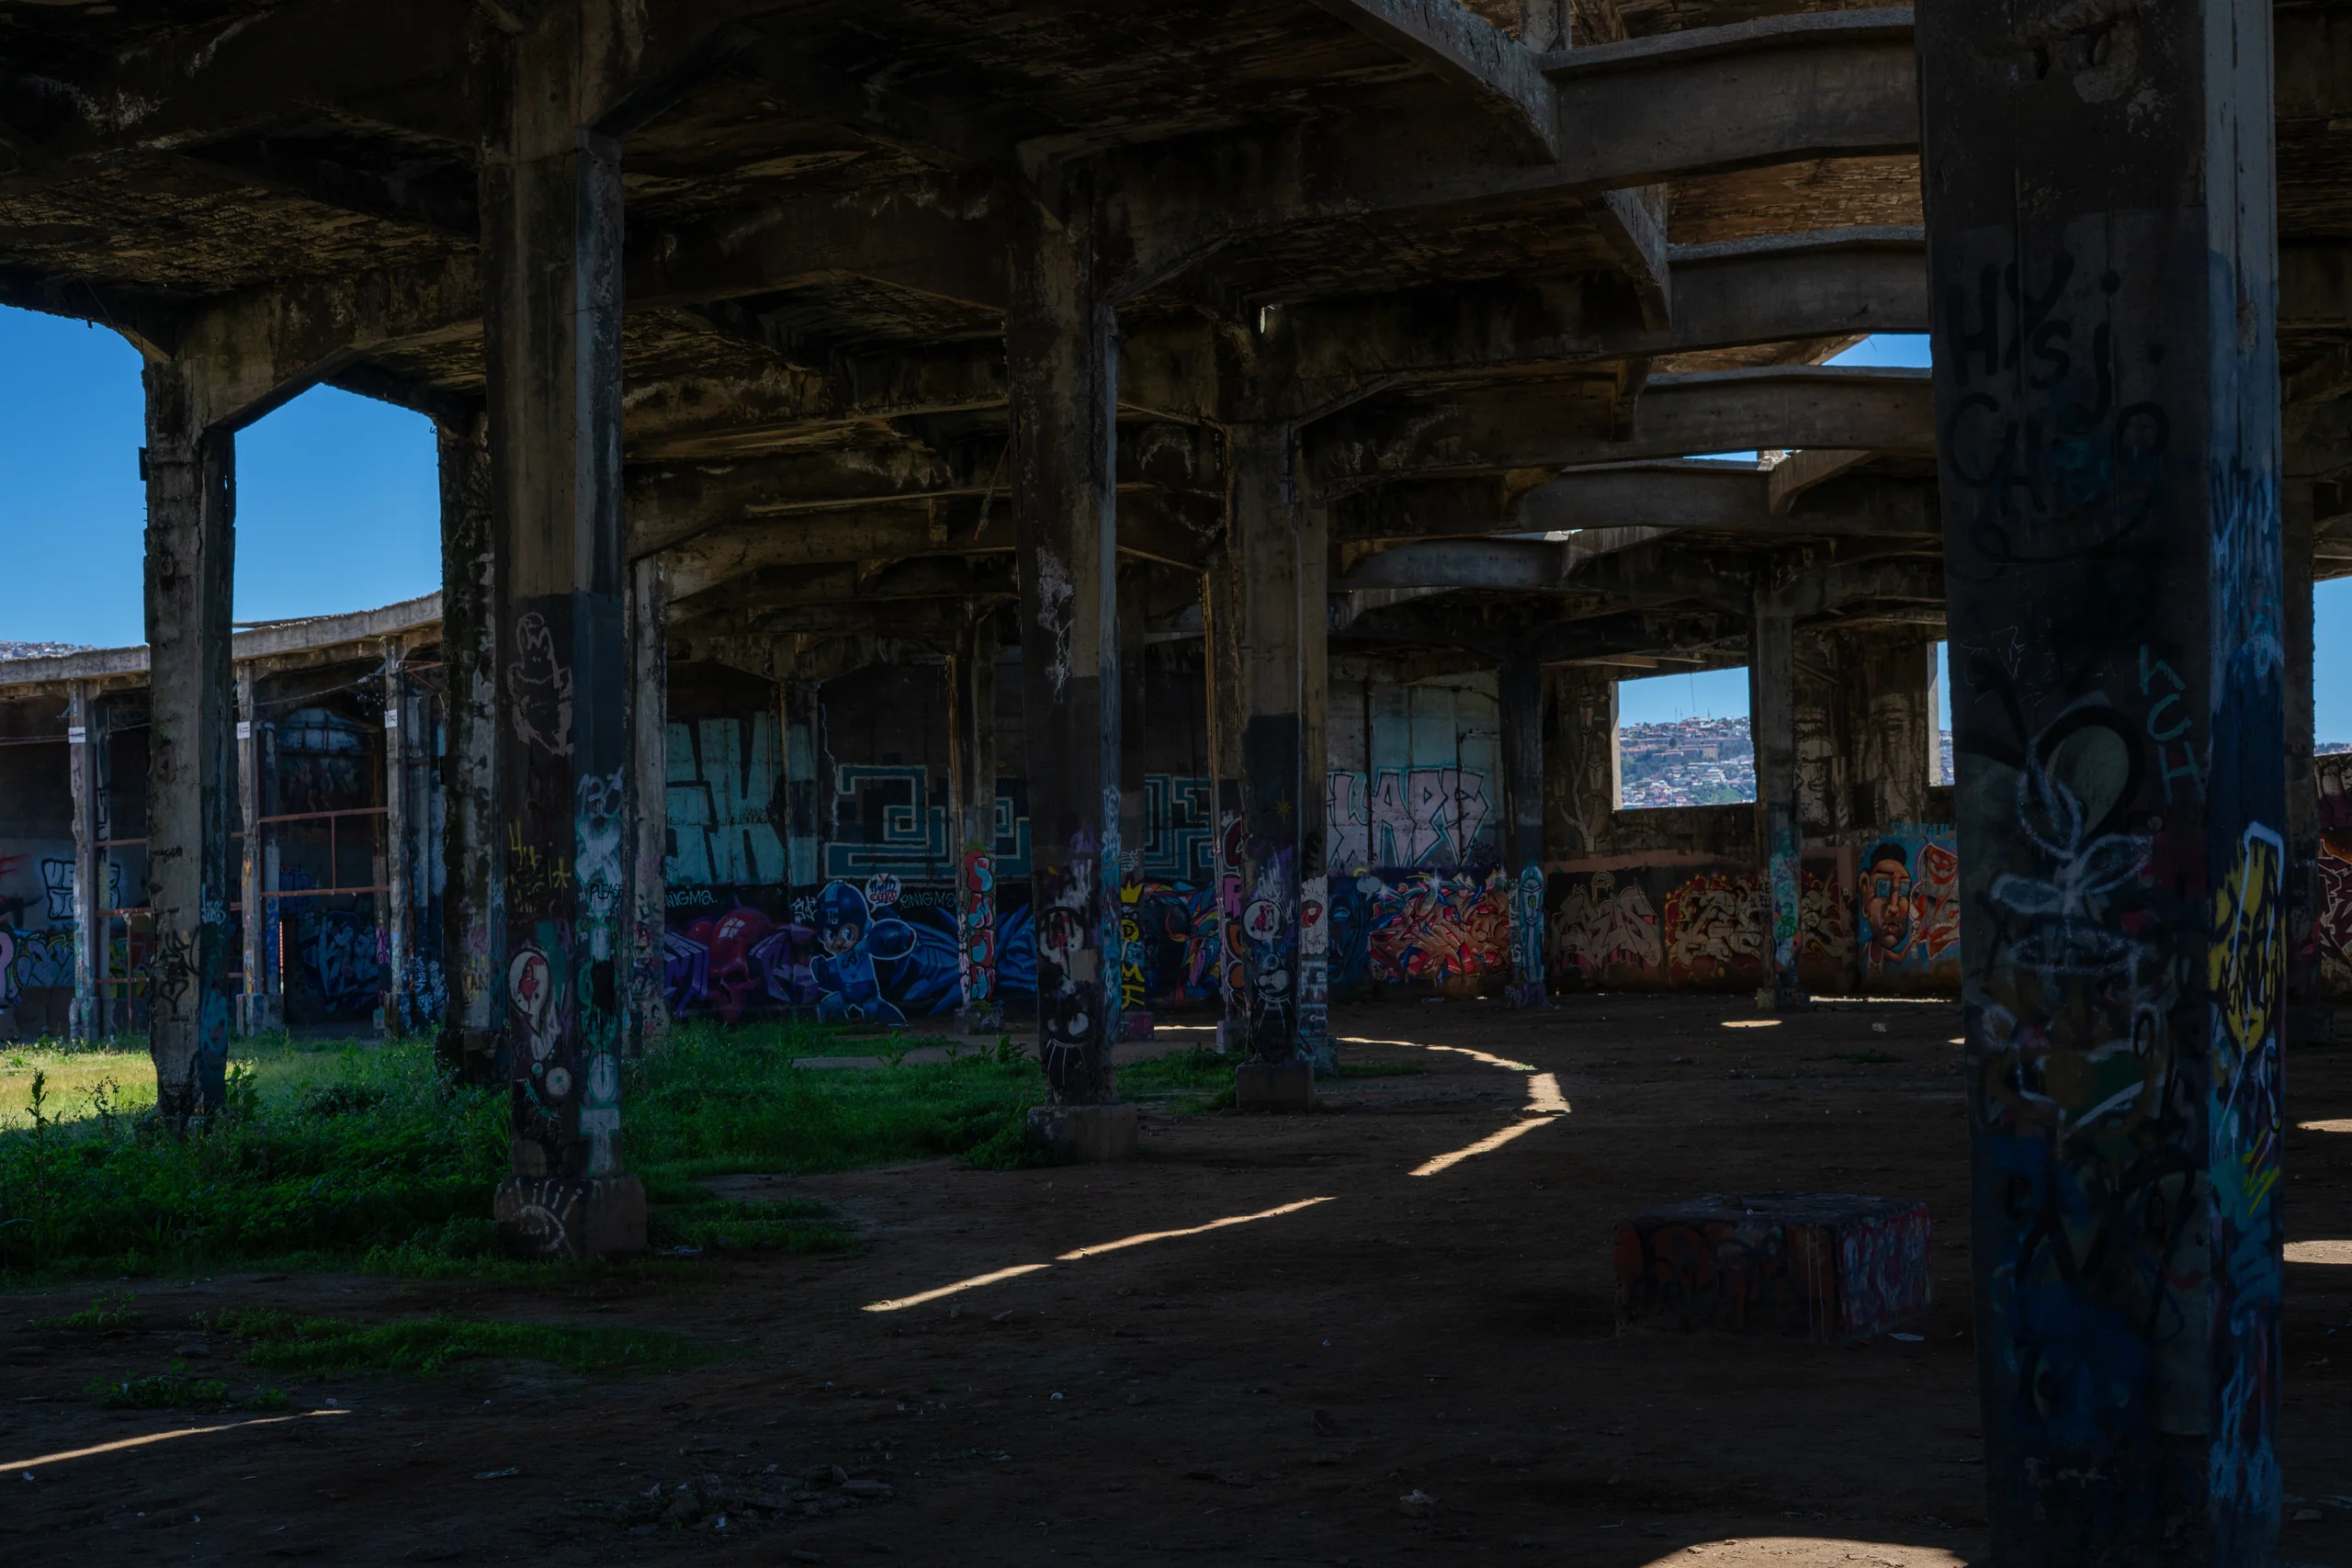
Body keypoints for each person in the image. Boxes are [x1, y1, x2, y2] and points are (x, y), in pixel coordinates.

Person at [809, 879, 917, 1023]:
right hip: (845, 993)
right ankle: (839, 1027)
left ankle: (887, 1027)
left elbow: (881, 940)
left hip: (868, 996)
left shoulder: (862, 945)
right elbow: (835, 969)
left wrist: (901, 937)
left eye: (847, 933)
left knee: (872, 1012)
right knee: (826, 1007)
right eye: (831, 935)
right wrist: (822, 970)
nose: (839, 942)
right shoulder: (841, 954)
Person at [1860, 840, 1915, 965]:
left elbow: (1899, 959)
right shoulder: (1867, 947)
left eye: (1903, 889)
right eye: (1883, 887)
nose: (1893, 908)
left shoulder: (1879, 951)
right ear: (1865, 894)